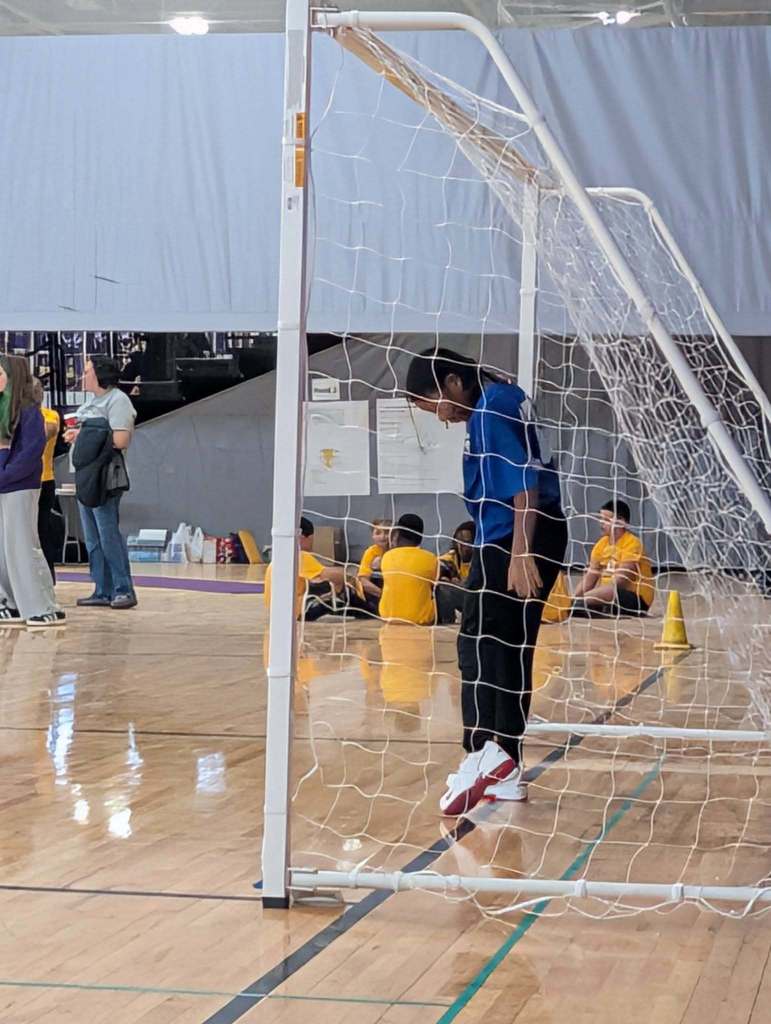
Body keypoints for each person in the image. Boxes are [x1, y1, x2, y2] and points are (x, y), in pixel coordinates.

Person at [406, 348, 567, 815]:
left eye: (431, 403)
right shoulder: (501, 398)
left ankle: (485, 752)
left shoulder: (491, 406)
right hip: (521, 531)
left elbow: (523, 484)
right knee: (507, 643)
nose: (439, 417)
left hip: (517, 533)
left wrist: (519, 551)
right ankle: (506, 766)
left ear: (454, 382)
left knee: (483, 641)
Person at [65, 357, 138, 610]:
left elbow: (120, 440)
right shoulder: (91, 403)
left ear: (99, 375)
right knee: (93, 538)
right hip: (85, 476)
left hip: (105, 477)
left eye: (86, 371)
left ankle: (123, 588)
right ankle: (102, 588)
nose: (82, 376)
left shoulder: (118, 401)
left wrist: (85, 435)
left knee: (108, 535)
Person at [0, 355, 63, 628]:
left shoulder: (29, 412)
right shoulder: (4, 409)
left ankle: (41, 605)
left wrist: (3, 476)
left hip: (19, 487)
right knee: (3, 548)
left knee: (24, 545)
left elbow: (29, 455)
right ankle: (9, 601)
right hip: (4, 485)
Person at [571, 499, 654, 617]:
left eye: (606, 520)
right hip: (604, 596)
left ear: (620, 522)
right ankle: (580, 605)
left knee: (611, 589)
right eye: (600, 519)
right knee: (580, 603)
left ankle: (582, 604)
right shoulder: (601, 544)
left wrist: (586, 598)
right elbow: (590, 577)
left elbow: (621, 581)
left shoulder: (632, 543)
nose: (601, 523)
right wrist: (573, 598)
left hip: (635, 598)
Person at [264, 517, 347, 621]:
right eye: (312, 539)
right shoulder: (299, 556)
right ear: (303, 537)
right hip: (296, 610)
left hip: (276, 610)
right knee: (343, 594)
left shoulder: (279, 557)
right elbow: (331, 575)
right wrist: (348, 575)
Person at [378, 513, 439, 626]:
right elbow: (436, 584)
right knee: (443, 589)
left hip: (389, 617)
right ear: (420, 537)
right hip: (420, 619)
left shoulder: (387, 557)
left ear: (398, 534)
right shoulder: (430, 558)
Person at [32, 378, 63, 582]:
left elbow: (45, 431)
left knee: (41, 531)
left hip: (41, 480)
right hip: (35, 480)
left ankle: (46, 577)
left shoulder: (49, 417)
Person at [436, 520, 475, 624]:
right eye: (458, 542)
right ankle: (447, 624)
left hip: (477, 601)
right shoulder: (449, 558)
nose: (461, 547)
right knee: (442, 587)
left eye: (466, 542)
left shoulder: (483, 560)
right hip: (460, 601)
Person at [356, 519, 392, 614]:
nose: (383, 537)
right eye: (378, 533)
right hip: (378, 593)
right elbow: (363, 581)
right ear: (372, 536)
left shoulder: (397, 551)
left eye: (387, 533)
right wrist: (384, 594)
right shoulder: (370, 552)